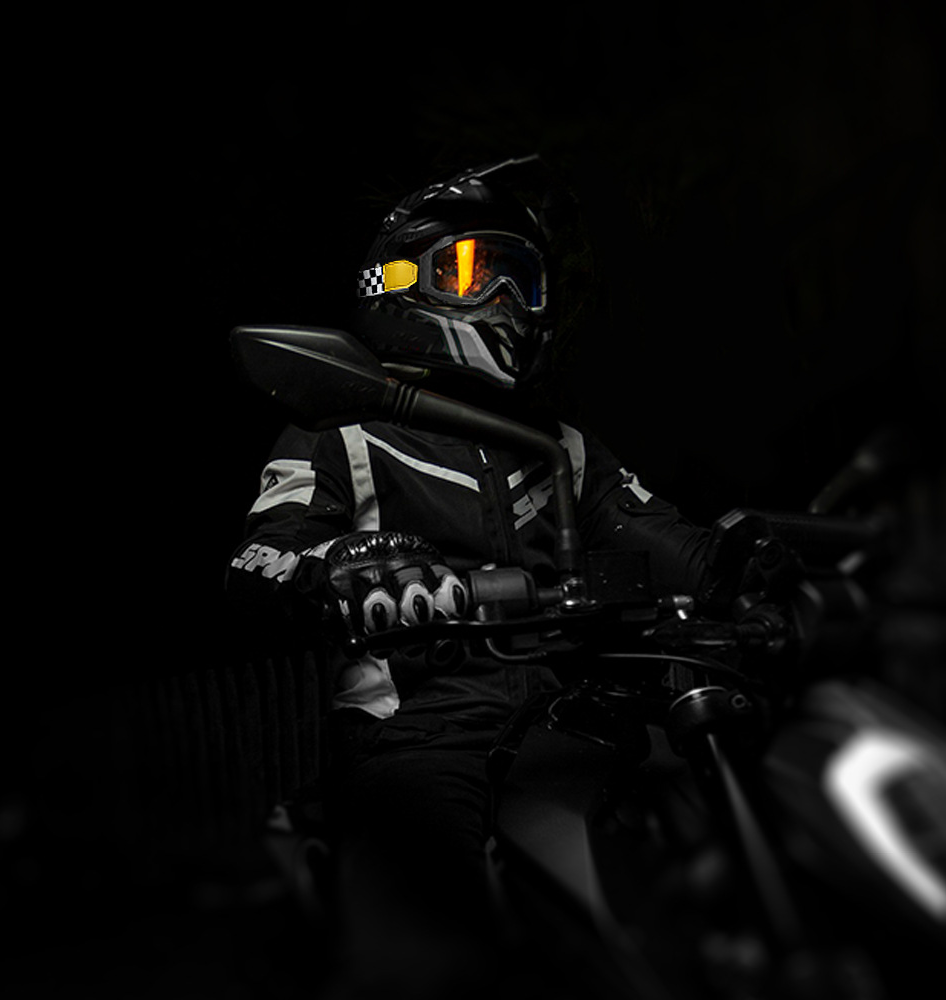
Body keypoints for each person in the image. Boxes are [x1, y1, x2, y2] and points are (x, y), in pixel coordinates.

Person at [226, 156, 716, 998]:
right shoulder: (341, 432)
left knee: (695, 839)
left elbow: (665, 539)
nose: (505, 300)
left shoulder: (559, 445)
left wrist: (753, 562)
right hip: (418, 731)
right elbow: (260, 559)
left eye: (523, 280)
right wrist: (342, 569)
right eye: (473, 270)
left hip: (569, 714)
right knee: (424, 956)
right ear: (395, 281)